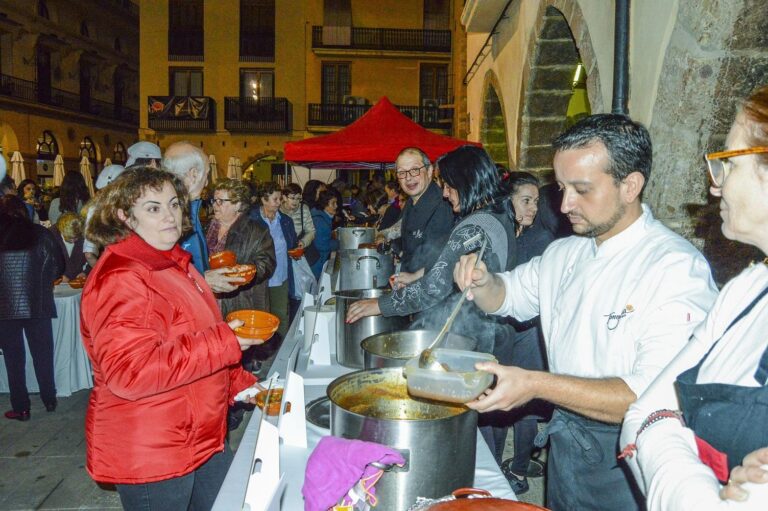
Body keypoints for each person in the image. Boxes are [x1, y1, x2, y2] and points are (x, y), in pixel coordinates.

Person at [453, 114, 718, 511]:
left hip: (630, 455)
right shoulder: (565, 252)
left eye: (581, 189)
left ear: (630, 185)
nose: (564, 205)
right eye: (560, 188)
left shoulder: (675, 268)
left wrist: (535, 384)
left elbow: (652, 396)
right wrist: (483, 280)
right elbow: (507, 296)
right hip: (567, 441)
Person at [81, 167, 264, 511]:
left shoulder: (173, 262)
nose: (170, 216)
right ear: (125, 216)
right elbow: (130, 371)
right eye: (153, 208)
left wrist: (243, 384)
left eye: (174, 204)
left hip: (201, 433)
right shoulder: (122, 276)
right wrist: (225, 341)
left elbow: (196, 337)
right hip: (155, 449)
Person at [620, 85, 768, 509]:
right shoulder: (746, 288)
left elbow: (653, 419)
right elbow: (639, 415)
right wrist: (704, 482)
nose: (715, 187)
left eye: (727, 163)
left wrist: (668, 436)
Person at [346, 145, 517, 355]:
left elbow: (435, 286)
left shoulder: (473, 227)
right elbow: (448, 265)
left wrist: (380, 305)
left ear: (466, 181)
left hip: (477, 337)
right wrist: (418, 274)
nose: (445, 193)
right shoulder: (497, 212)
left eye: (448, 186)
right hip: (490, 332)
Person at [497, 171, 555, 494]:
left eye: (535, 201)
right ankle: (499, 466)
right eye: (526, 201)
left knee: (526, 404)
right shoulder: (506, 233)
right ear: (509, 201)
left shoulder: (540, 239)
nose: (532, 208)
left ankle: (518, 469)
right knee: (504, 396)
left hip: (530, 332)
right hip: (506, 331)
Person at [0, 194, 64, 420]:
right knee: (43, 354)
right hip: (38, 302)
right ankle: (49, 399)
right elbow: (58, 266)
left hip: (5, 307)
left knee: (13, 359)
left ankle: (21, 407)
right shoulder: (41, 234)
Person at [206, 179, 276, 318]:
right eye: (214, 200)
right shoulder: (206, 227)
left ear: (237, 204)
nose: (215, 205)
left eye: (221, 201)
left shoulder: (257, 231)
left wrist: (239, 274)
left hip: (240, 300)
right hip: (208, 299)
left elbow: (267, 264)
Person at [389, 147, 454, 274]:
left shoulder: (442, 204)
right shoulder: (410, 202)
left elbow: (436, 259)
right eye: (402, 172)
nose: (408, 178)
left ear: (429, 171)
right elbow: (407, 239)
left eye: (415, 170)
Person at [250, 181, 298, 339]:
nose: (279, 202)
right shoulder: (251, 220)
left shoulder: (285, 220)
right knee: (261, 315)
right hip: (260, 278)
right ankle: (263, 350)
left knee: (281, 314)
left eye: (280, 199)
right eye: (275, 199)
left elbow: (292, 243)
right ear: (264, 200)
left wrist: (296, 249)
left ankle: (280, 348)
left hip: (281, 275)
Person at [82, 164, 126, 268]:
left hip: (110, 265)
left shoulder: (95, 208)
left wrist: (102, 271)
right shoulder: (134, 207)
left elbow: (89, 254)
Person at [308, 190, 340, 279]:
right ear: (325, 205)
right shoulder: (320, 221)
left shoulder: (320, 216)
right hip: (316, 263)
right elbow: (322, 245)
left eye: (336, 203)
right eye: (333, 203)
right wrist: (338, 243)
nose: (336, 206)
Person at [50, 212, 88, 281]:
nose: (74, 240)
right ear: (61, 230)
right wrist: (59, 276)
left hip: (78, 282)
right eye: (70, 238)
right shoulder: (50, 237)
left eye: (76, 237)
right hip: (57, 285)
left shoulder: (84, 233)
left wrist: (86, 272)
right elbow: (44, 264)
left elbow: (95, 258)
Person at [280, 182, 315, 249]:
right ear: (284, 197)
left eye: (298, 198)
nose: (295, 201)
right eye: (293, 198)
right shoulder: (278, 210)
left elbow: (311, 231)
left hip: (297, 248)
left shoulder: (304, 209)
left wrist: (303, 242)